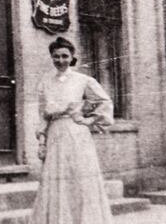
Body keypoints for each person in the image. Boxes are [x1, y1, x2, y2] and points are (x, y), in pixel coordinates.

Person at [31, 37, 114, 224]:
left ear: (72, 57)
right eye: (56, 56)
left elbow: (105, 103)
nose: (60, 60)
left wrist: (88, 120)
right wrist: (42, 142)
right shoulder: (45, 82)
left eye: (64, 56)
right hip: (55, 135)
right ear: (51, 57)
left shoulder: (83, 80)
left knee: (80, 178)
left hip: (77, 134)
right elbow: (43, 115)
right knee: (56, 179)